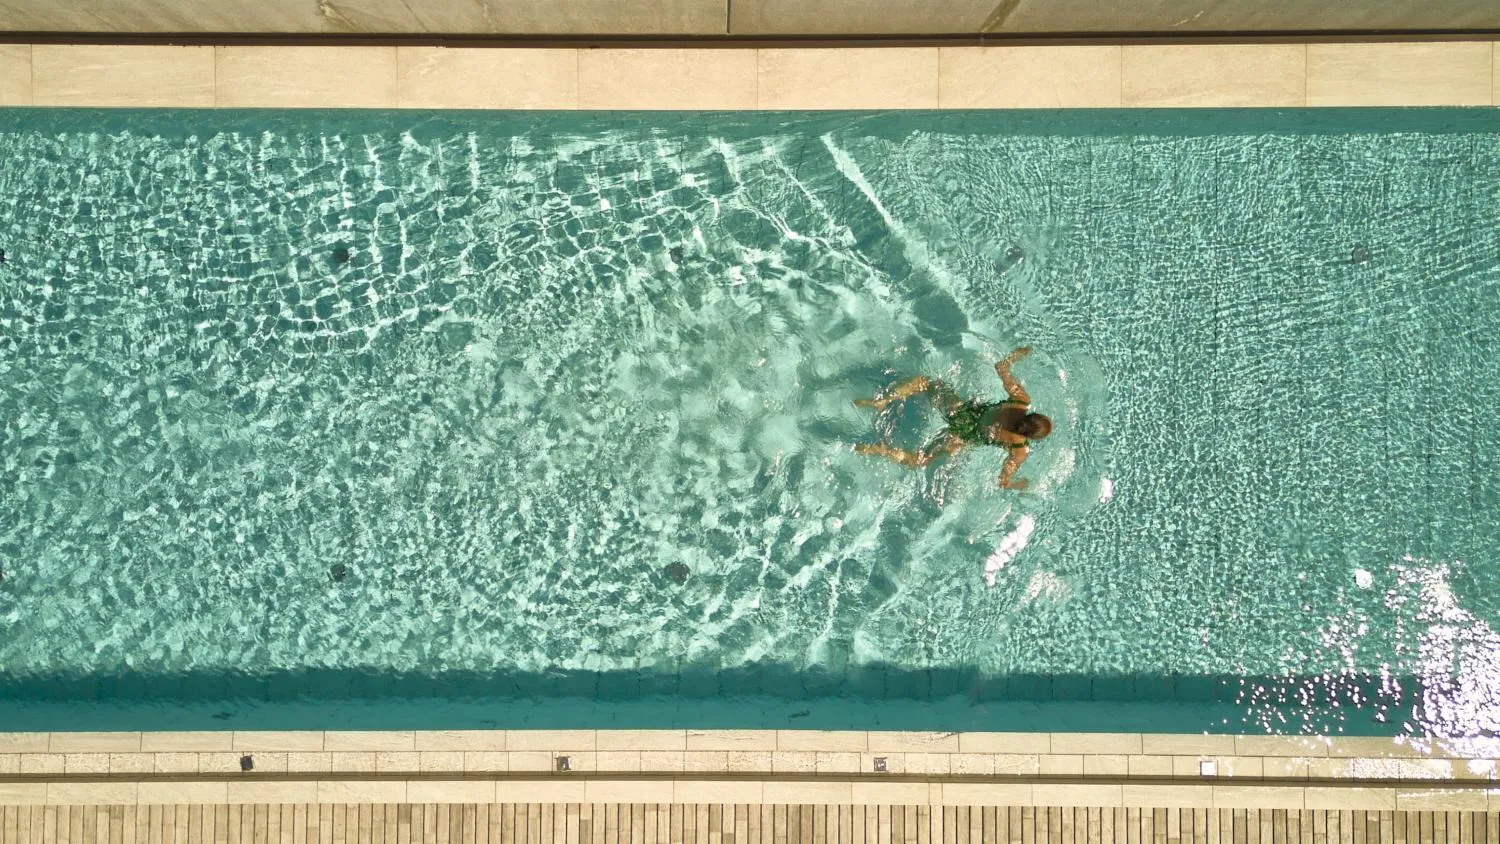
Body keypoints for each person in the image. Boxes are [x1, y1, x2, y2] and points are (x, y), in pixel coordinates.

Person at [852, 346, 1052, 489]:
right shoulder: (1020, 450)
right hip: (963, 436)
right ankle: (874, 449)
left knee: (925, 383)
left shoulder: (1021, 401)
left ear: (1032, 414)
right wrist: (1017, 485)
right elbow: (1003, 481)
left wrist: (1015, 355)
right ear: (1030, 437)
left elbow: (1000, 367)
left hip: (963, 412)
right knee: (921, 460)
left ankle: (883, 401)